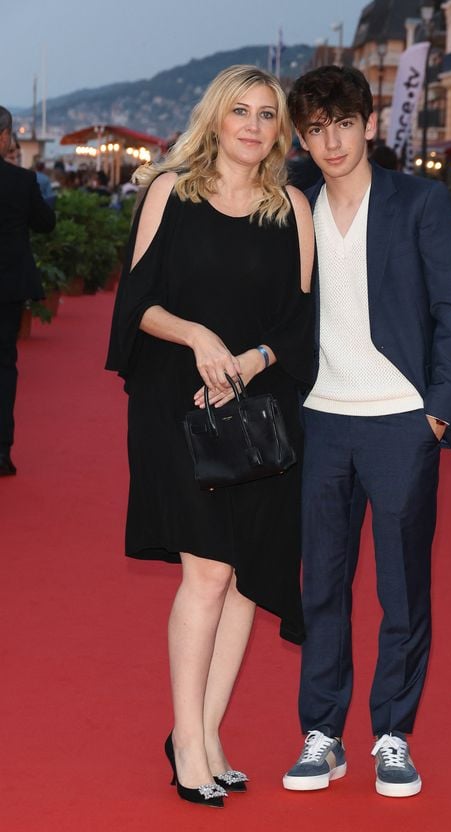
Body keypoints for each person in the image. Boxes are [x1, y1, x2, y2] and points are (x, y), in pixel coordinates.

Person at [106, 66, 314, 809]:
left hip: (259, 411)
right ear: (215, 119)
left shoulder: (292, 206)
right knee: (207, 573)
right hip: (175, 405)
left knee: (242, 582)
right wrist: (200, 338)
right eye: (240, 112)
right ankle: (186, 741)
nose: (253, 125)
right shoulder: (170, 190)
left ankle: (207, 733)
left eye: (267, 114)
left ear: (278, 128)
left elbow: (300, 321)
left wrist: (251, 362)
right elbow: (137, 304)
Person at [283, 66, 451, 798]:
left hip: (402, 423)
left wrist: (435, 410)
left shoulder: (420, 202)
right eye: (314, 129)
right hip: (322, 422)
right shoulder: (296, 207)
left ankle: (392, 734)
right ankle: (323, 734)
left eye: (341, 124)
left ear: (369, 123)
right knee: (322, 587)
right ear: (302, 138)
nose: (329, 141)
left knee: (402, 590)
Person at [0, 106, 56, 476]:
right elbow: (46, 223)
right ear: (4, 136)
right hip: (8, 286)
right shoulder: (22, 181)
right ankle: (2, 452)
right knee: (4, 366)